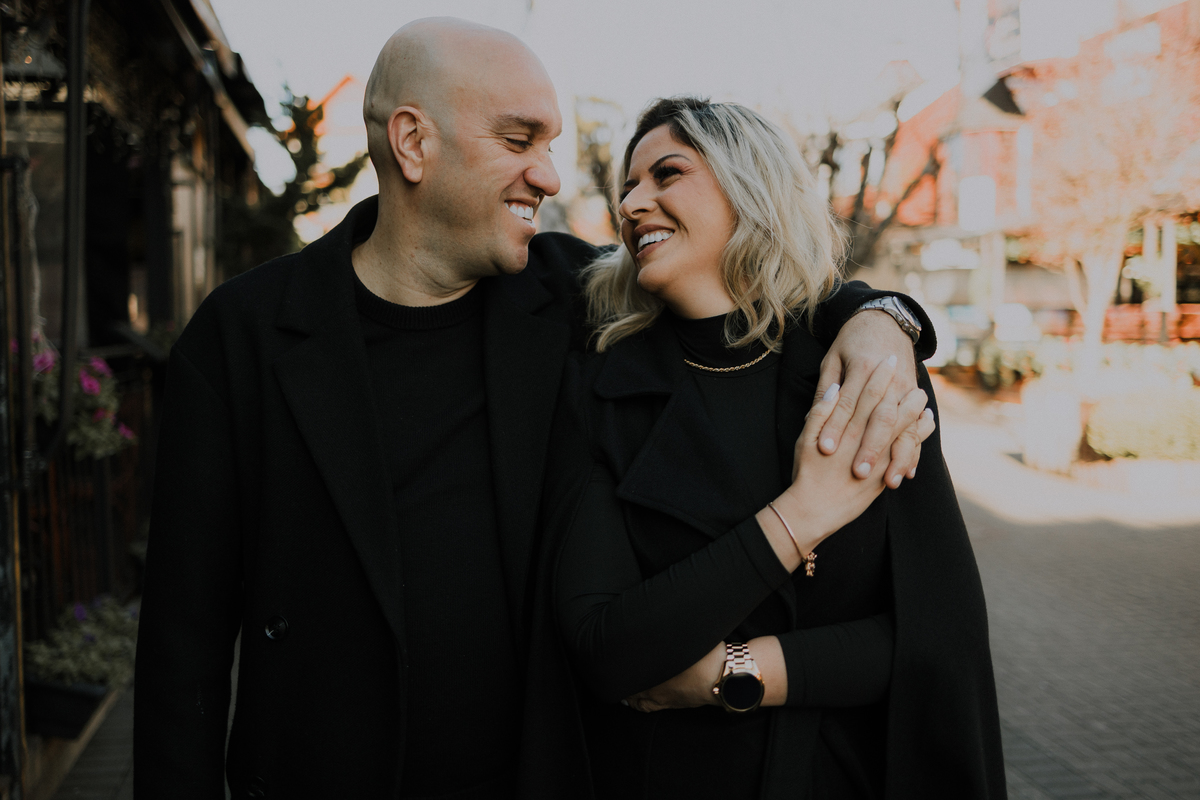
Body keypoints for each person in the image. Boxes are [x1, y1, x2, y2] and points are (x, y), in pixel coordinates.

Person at [134, 20, 936, 800]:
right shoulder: (244, 337)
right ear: (413, 142)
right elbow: (182, 642)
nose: (549, 177)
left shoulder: (571, 298)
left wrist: (880, 317)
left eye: (550, 147)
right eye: (520, 141)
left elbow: (744, 279)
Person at [547, 97, 1006, 799]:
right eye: (628, 188)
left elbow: (937, 634)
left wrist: (736, 671)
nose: (633, 203)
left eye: (667, 174)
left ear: (749, 185)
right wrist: (802, 515)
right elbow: (607, 649)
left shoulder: (861, 372)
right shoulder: (602, 394)